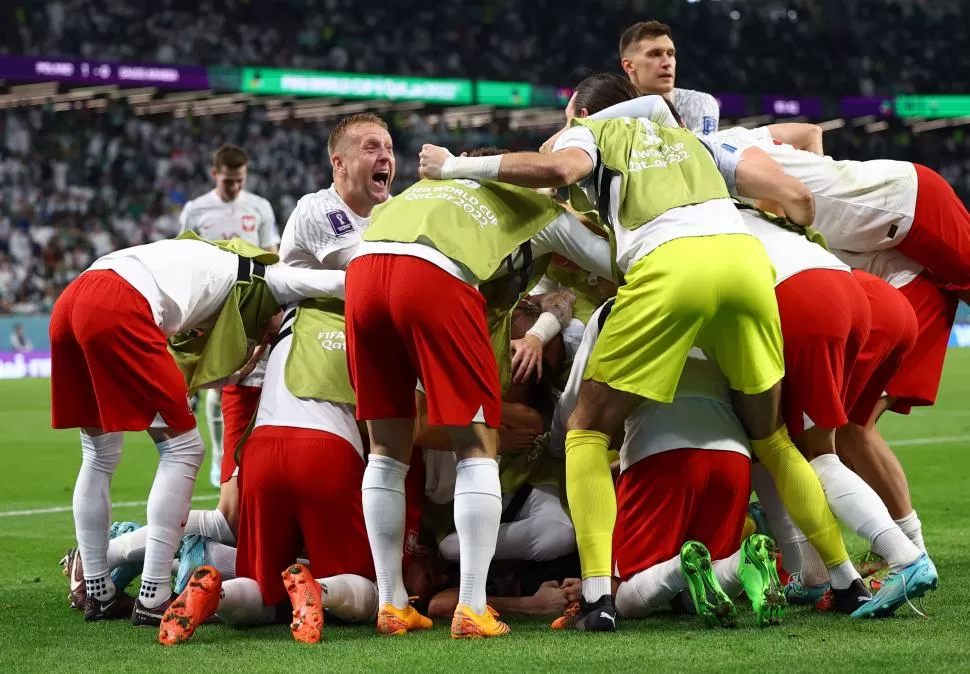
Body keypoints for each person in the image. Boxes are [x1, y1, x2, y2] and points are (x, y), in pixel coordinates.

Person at [418, 73, 848, 632]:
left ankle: (597, 599)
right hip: (746, 264)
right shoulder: (699, 141)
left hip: (669, 273)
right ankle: (843, 579)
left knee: (586, 430)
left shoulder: (594, 134)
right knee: (774, 438)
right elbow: (797, 199)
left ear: (579, 114)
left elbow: (559, 172)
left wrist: (452, 166)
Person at [345, 149, 612, 639]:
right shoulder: (540, 212)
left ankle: (391, 603)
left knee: (385, 450)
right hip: (434, 276)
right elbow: (618, 262)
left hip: (364, 272)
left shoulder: (427, 189)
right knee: (477, 449)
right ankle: (471, 606)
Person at [51, 236, 344, 626]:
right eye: (280, 323)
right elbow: (338, 283)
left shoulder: (216, 269)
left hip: (73, 298)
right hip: (117, 303)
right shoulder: (268, 279)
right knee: (184, 450)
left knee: (99, 454)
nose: (275, 335)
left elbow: (205, 361)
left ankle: (99, 591)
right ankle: (154, 596)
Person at [712, 123, 965, 557]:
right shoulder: (719, 165)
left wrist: (821, 184)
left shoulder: (721, 150)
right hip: (883, 259)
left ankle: (897, 551)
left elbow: (808, 140)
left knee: (847, 431)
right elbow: (809, 135)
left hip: (907, 200)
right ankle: (907, 548)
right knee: (850, 428)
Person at [158, 296, 379, 646]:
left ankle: (219, 595)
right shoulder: (366, 316)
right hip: (327, 451)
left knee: (262, 590)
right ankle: (318, 589)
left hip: (261, 451)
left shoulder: (289, 317)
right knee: (367, 589)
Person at [552, 301, 781, 627]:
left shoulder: (616, 308)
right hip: (733, 456)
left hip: (660, 454)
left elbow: (574, 411)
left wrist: (557, 445)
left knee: (625, 594)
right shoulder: (720, 306)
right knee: (693, 595)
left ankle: (680, 565)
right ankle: (743, 562)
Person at [179, 143, 280, 489]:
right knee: (218, 381)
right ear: (215, 175)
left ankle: (249, 451)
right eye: (228, 182)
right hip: (212, 304)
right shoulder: (196, 209)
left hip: (250, 303)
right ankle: (222, 451)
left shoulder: (260, 207)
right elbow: (184, 253)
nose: (235, 187)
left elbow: (271, 252)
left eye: (239, 180)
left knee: (251, 378)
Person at [618, 20, 720, 134]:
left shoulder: (698, 103)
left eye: (670, 54)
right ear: (629, 65)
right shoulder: (613, 111)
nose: (667, 63)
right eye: (655, 54)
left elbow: (703, 152)